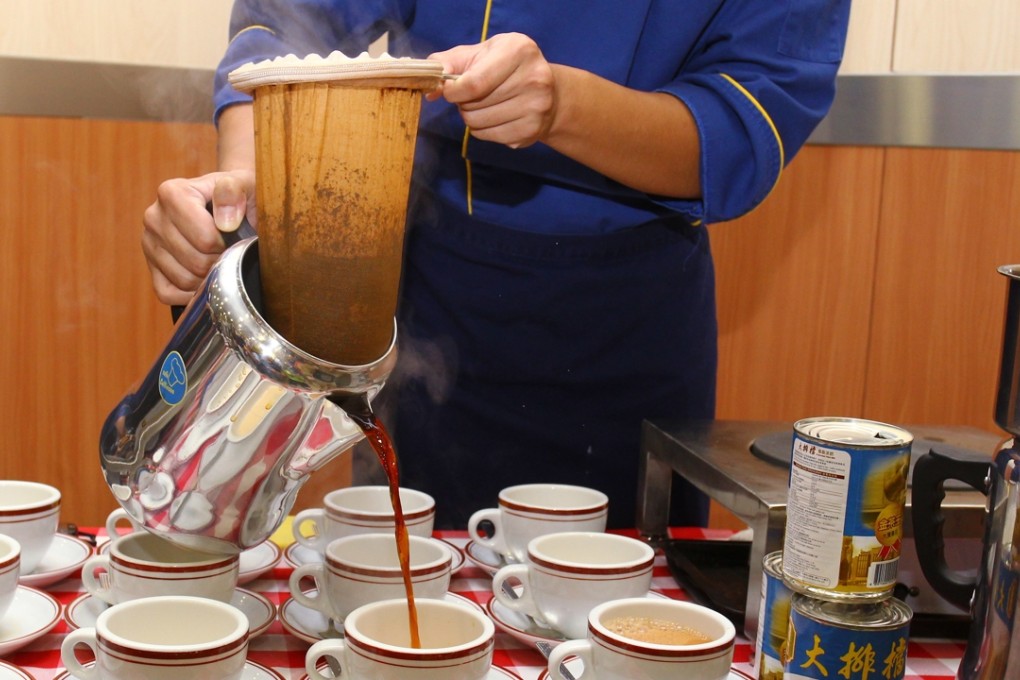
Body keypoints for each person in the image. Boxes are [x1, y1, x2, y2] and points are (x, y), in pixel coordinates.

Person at [142, 1, 851, 530]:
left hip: (632, 315)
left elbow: (748, 116)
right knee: (405, 587)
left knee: (621, 610)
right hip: (433, 287)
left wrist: (565, 106)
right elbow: (290, 17)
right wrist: (249, 186)